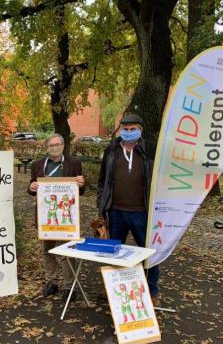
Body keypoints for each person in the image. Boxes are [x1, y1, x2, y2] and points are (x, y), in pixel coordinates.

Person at [97, 114, 162, 306]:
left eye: (133, 128)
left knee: (150, 253)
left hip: (142, 212)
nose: (128, 132)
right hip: (116, 211)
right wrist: (101, 208)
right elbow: (102, 182)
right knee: (114, 253)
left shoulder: (151, 149)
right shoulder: (111, 150)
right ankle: (113, 288)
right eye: (125, 128)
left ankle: (152, 291)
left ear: (141, 130)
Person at [27, 134, 85, 301]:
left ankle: (69, 286)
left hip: (67, 217)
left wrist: (81, 183)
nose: (54, 147)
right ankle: (51, 282)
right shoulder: (38, 165)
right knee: (48, 250)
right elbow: (32, 188)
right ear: (47, 147)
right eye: (51, 145)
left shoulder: (74, 164)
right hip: (46, 217)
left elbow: (80, 191)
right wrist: (31, 187)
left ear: (63, 145)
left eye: (57, 144)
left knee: (67, 250)